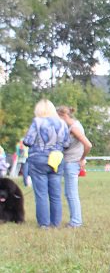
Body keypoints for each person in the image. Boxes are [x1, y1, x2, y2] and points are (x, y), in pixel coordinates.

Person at [22, 98, 71, 228]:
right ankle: (55, 223)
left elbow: (28, 140)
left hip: (39, 159)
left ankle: (44, 224)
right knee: (55, 194)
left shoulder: (37, 122)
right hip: (56, 159)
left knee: (41, 193)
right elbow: (67, 143)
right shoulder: (62, 123)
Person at [57, 106, 93, 228]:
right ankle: (75, 219)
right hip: (71, 162)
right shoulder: (75, 125)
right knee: (69, 193)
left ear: (63, 116)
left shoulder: (74, 128)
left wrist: (82, 158)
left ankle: (76, 221)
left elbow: (88, 145)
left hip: (72, 163)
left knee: (71, 193)